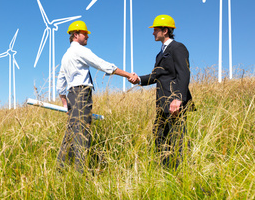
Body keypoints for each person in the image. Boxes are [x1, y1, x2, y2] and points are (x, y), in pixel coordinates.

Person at [56, 20, 134, 173]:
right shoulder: (80, 51)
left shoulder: (66, 55)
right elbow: (102, 64)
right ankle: (81, 174)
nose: (87, 37)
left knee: (71, 133)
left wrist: (65, 103)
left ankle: (60, 169)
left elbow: (60, 82)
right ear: (76, 35)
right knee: (82, 135)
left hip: (72, 95)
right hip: (81, 94)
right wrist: (127, 75)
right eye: (85, 33)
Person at [130, 14, 194, 168]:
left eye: (155, 29)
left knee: (177, 138)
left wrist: (178, 99)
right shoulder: (160, 54)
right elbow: (156, 75)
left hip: (174, 103)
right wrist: (138, 79)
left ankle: (183, 172)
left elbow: (184, 73)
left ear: (165, 31)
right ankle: (165, 172)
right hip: (162, 104)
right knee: (159, 138)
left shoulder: (177, 48)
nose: (153, 32)